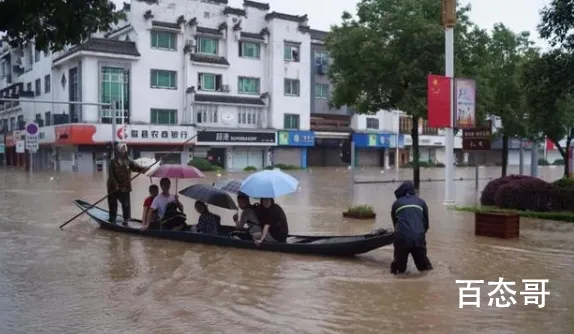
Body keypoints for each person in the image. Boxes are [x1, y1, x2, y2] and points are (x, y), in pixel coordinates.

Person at [390, 180, 433, 275]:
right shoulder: (421, 202)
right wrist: (419, 234)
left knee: (398, 271)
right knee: (425, 269)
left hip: (401, 238)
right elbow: (426, 224)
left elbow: (395, 223)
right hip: (418, 238)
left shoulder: (397, 203)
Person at [106, 143, 146, 225]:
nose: (123, 151)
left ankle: (126, 219)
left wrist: (143, 169)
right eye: (121, 149)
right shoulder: (112, 161)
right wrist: (116, 185)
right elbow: (111, 175)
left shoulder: (128, 160)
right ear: (117, 151)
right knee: (113, 204)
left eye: (124, 150)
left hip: (125, 186)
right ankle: (112, 219)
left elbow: (136, 167)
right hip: (113, 187)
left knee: (126, 204)